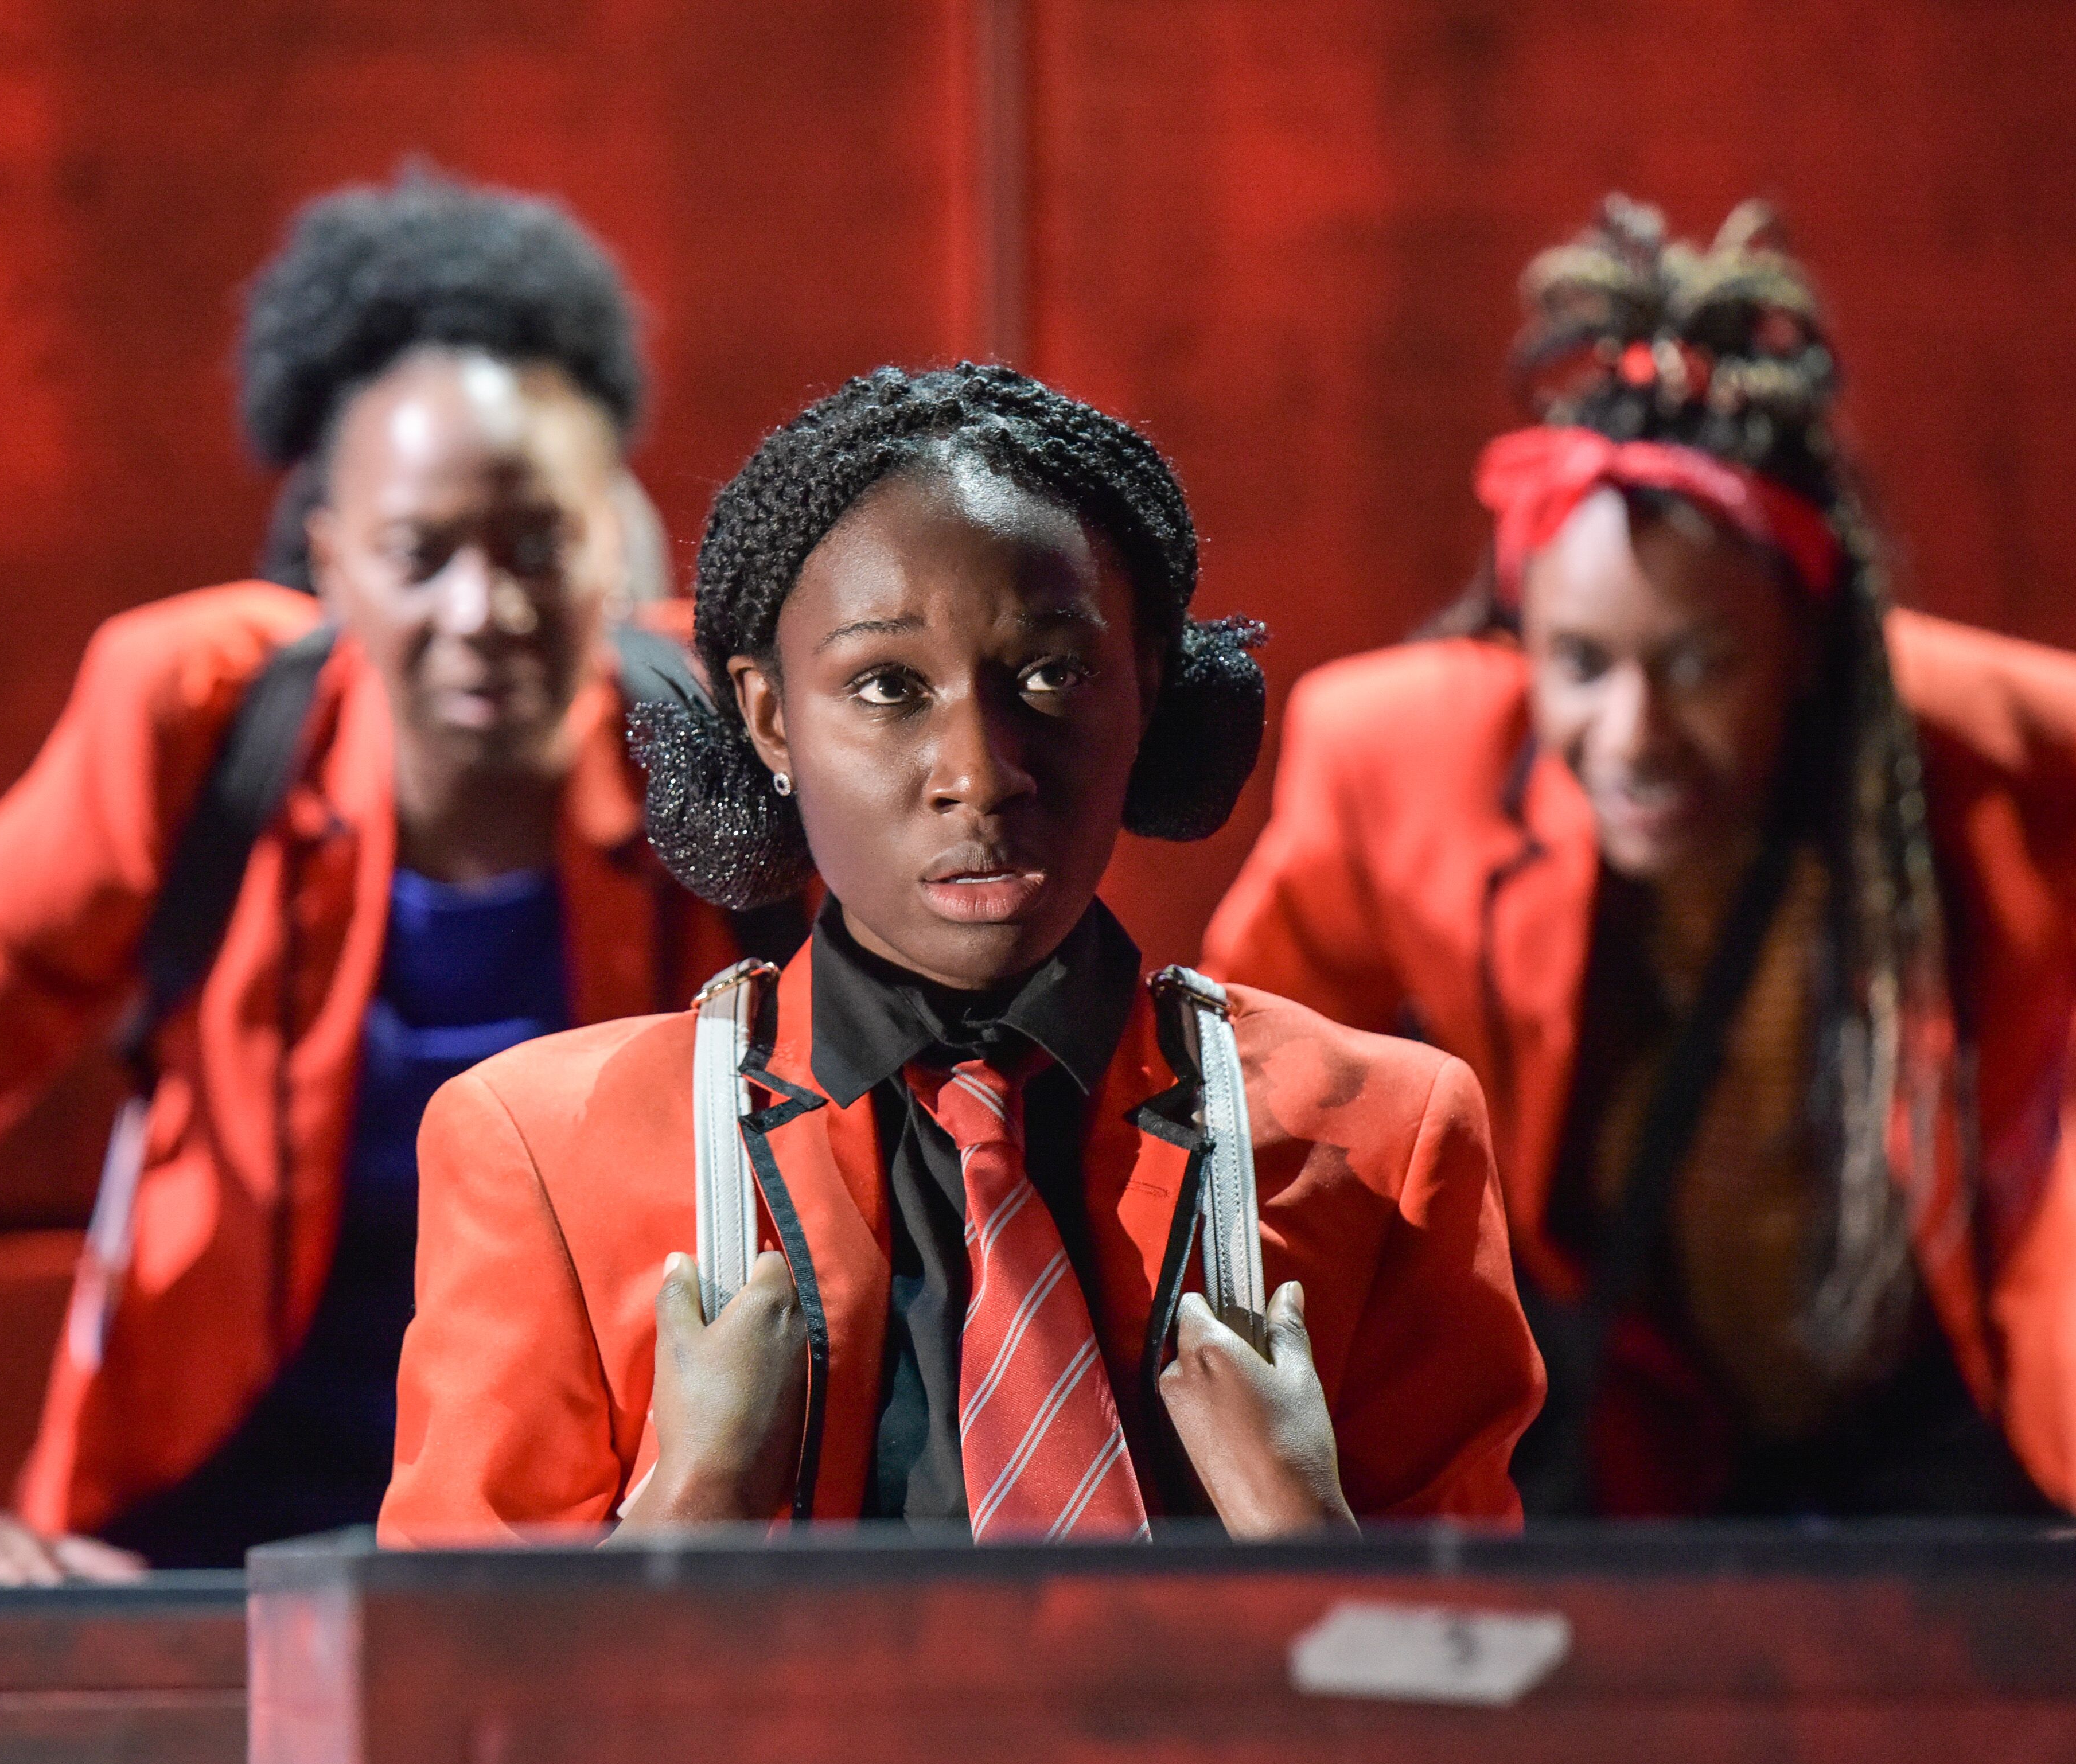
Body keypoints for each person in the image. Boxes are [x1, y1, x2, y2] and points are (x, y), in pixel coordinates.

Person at [1202, 200, 2076, 1524]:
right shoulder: (1394, 755)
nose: (1634, 733)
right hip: (1601, 1450)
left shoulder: (2044, 756)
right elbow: (1241, 1131)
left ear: (1808, 642)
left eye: (1704, 663)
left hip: (1965, 1435)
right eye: (1582, 664)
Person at [0, 170, 740, 1579]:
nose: (483, 611)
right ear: (329, 561)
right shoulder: (201, 725)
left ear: (620, 547)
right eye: (417, 553)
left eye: (538, 545)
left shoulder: (729, 744)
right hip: (203, 1514)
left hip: (588, 1534)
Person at [379, 364, 1543, 1539]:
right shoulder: (542, 1150)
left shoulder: (1387, 1135)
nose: (981, 773)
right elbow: (453, 1703)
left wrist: (1306, 1533)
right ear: (771, 716)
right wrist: (688, 1506)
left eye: (1051, 673)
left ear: (1144, 684)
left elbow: (1474, 1697)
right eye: (888, 685)